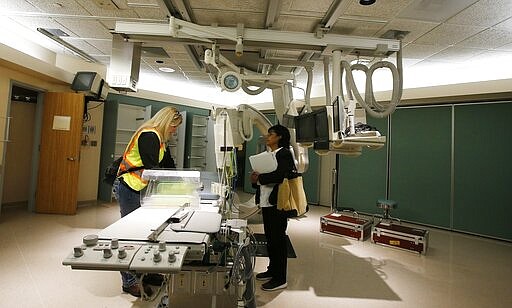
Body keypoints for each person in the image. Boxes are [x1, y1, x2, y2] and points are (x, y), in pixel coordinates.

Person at [112, 106, 183, 297]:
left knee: (150, 233)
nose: (174, 131)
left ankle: (148, 271)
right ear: (166, 121)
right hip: (130, 187)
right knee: (130, 234)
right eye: (174, 126)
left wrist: (183, 183)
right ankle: (129, 281)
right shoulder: (149, 135)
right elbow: (153, 168)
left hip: (143, 189)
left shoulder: (161, 140)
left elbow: (168, 166)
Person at [250, 124, 296, 291]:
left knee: (278, 240)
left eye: (271, 134)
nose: (267, 137)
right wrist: (255, 179)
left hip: (278, 203)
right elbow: (263, 180)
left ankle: (280, 278)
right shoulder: (269, 154)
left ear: (279, 137)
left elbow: (281, 176)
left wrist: (260, 177)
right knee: (270, 239)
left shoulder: (284, 154)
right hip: (267, 202)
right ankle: (272, 270)